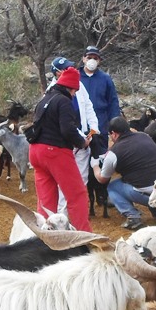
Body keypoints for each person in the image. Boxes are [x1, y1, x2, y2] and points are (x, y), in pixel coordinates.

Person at [27, 66, 93, 231]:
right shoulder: (63, 101)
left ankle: (43, 236)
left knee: (46, 199)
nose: (74, 95)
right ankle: (83, 236)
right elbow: (67, 130)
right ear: (70, 87)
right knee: (77, 195)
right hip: (54, 152)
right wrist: (82, 142)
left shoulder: (45, 99)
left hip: (35, 151)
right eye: (74, 91)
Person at [91, 116, 156, 230]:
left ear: (114, 134)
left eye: (110, 135)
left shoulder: (114, 152)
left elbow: (102, 179)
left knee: (113, 187)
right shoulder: (144, 136)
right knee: (142, 178)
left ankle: (133, 216)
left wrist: (95, 166)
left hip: (154, 193)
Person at [48, 57, 99, 208]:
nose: (69, 71)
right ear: (56, 73)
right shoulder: (52, 92)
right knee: (64, 179)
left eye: (70, 68)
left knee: (82, 178)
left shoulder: (78, 85)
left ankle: (77, 209)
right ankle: (63, 213)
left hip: (83, 137)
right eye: (65, 69)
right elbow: (64, 122)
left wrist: (94, 129)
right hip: (67, 140)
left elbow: (88, 107)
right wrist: (81, 138)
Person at [79, 46, 121, 157]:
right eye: (89, 57)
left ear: (99, 61)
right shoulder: (75, 76)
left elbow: (113, 102)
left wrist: (114, 125)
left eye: (95, 58)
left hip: (100, 125)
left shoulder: (105, 79)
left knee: (100, 157)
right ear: (83, 59)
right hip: (79, 126)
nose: (92, 60)